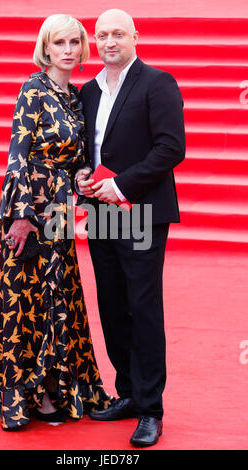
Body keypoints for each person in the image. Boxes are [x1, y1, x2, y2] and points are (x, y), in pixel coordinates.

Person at [0, 14, 113, 431]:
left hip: (59, 213)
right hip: (30, 211)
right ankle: (26, 397)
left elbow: (77, 160)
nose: (67, 49)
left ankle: (55, 390)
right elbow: (18, 156)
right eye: (58, 42)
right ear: (45, 48)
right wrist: (21, 217)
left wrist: (82, 177)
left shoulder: (77, 97)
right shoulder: (33, 90)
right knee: (24, 301)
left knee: (57, 299)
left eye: (74, 42)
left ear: (82, 49)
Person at [75, 9, 185, 447]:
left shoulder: (158, 83)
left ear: (135, 36)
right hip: (99, 210)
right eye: (101, 35)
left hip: (139, 208)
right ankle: (128, 394)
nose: (108, 42)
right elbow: (89, 148)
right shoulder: (88, 90)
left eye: (117, 33)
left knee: (142, 306)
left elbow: (170, 148)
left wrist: (121, 185)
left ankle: (151, 409)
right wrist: (84, 174)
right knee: (112, 304)